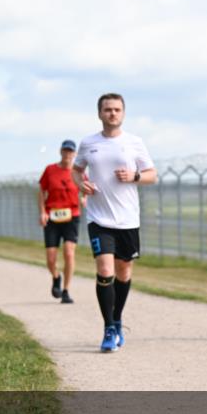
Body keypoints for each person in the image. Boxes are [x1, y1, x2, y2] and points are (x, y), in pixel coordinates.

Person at [72, 93, 157, 352]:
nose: (112, 114)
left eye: (117, 110)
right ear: (99, 113)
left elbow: (152, 175)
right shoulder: (88, 143)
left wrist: (135, 175)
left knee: (124, 272)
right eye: (107, 109)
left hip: (128, 219)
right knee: (105, 270)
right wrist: (80, 183)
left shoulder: (134, 142)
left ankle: (117, 318)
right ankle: (108, 327)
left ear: (123, 113)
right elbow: (76, 170)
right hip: (99, 218)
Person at [39, 139, 82, 304]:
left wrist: (84, 198)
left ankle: (66, 290)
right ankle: (56, 277)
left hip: (72, 216)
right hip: (52, 216)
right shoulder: (50, 170)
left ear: (75, 154)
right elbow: (41, 191)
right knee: (51, 258)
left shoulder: (78, 172)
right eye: (65, 151)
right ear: (60, 152)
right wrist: (42, 212)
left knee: (69, 253)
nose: (67, 154)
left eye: (71, 152)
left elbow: (85, 188)